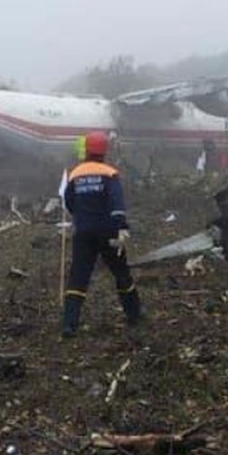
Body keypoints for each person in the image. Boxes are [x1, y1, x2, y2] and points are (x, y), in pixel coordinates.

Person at [60, 131, 142, 337]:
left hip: (83, 232)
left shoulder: (76, 174)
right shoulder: (109, 173)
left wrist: (82, 217)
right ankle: (134, 315)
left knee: (78, 276)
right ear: (105, 151)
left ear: (86, 149)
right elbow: (117, 203)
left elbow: (69, 202)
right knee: (121, 272)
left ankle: (69, 324)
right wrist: (121, 226)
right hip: (109, 232)